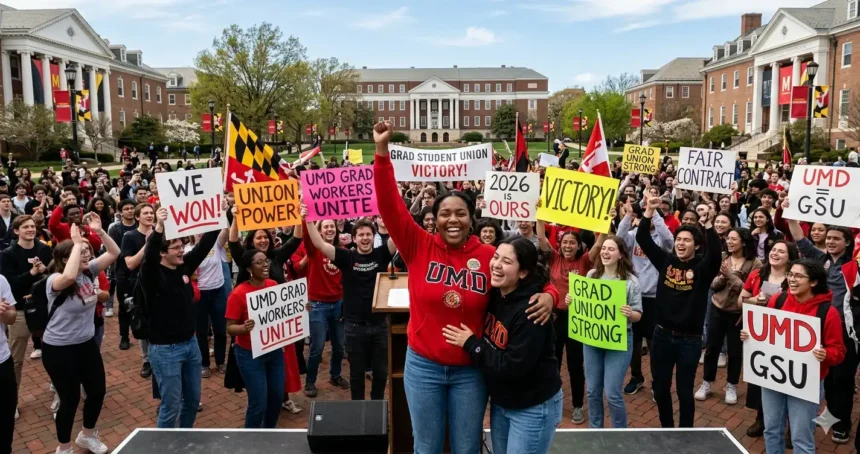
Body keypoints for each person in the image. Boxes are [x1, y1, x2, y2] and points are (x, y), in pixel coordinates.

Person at [372, 120, 555, 453]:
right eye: (444, 214)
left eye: (460, 213)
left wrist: (550, 295)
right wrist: (382, 152)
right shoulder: (417, 245)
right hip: (423, 366)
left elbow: (535, 277)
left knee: (466, 447)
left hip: (471, 370)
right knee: (425, 446)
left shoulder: (489, 256)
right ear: (435, 218)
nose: (452, 220)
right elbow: (388, 205)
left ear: (472, 218)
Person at [442, 237, 562, 454]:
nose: (496, 265)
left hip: (532, 406)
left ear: (523, 272)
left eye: (506, 262)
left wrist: (472, 345)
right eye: (495, 257)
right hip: (503, 403)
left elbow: (513, 366)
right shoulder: (496, 293)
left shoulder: (532, 311)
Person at [740, 259, 846, 454]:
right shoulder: (778, 300)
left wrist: (826, 354)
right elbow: (766, 332)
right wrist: (750, 336)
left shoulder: (827, 312)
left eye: (798, 276)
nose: (792, 280)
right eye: (790, 275)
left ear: (813, 282)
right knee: (771, 430)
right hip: (773, 378)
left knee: (801, 438)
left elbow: (838, 352)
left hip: (805, 384)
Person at [636, 194, 721, 428]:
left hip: (689, 341)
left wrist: (709, 225)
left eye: (687, 240)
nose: (681, 243)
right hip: (662, 336)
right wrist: (649, 211)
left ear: (697, 245)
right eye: (679, 239)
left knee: (685, 391)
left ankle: (685, 434)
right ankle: (667, 429)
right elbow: (643, 239)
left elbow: (715, 257)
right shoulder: (666, 261)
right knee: (661, 388)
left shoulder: (702, 269)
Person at [42, 216, 119, 454]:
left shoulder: (89, 271)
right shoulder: (55, 280)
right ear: (66, 259)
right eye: (81, 252)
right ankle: (64, 448)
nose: (87, 254)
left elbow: (114, 253)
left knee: (97, 391)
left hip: (85, 344)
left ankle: (87, 435)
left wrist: (100, 231)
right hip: (59, 348)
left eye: (88, 250)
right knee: (70, 400)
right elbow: (67, 277)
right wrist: (75, 243)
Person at [303, 212, 396, 400]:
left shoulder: (382, 253)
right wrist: (309, 221)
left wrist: (394, 207)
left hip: (379, 326)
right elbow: (320, 244)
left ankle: (376, 409)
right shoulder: (346, 257)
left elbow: (399, 233)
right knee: (356, 373)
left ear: (374, 236)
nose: (365, 238)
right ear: (354, 239)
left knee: (380, 372)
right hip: (354, 327)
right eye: (360, 235)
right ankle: (359, 411)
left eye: (368, 234)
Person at [141, 207, 219, 428]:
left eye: (181, 246)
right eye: (176, 247)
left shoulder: (184, 266)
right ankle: (164, 446)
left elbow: (205, 245)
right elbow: (147, 259)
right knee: (171, 405)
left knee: (192, 401)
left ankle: (184, 437)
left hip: (190, 345)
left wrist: (220, 216)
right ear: (162, 253)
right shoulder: (152, 276)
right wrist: (158, 229)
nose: (181, 251)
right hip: (166, 351)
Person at [568, 235, 641, 428]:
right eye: (604, 249)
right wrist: (572, 301)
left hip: (619, 341)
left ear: (620, 254)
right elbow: (583, 305)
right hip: (592, 340)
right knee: (592, 390)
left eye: (611, 249)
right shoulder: (592, 275)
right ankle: (595, 429)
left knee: (612, 393)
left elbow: (638, 315)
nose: (605, 252)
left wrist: (629, 313)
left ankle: (618, 432)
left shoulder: (630, 282)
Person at [535, 218, 595, 423]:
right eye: (565, 243)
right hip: (555, 317)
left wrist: (606, 222)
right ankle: (553, 401)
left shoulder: (585, 260)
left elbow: (601, 243)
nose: (568, 246)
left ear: (579, 246)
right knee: (554, 361)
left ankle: (578, 405)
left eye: (572, 243)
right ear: (560, 245)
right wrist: (540, 215)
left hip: (578, 318)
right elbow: (541, 236)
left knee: (575, 364)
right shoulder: (553, 258)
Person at [738, 240, 798, 437]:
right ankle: (761, 419)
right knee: (761, 377)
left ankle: (791, 427)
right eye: (773, 250)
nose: (776, 253)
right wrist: (756, 300)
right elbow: (741, 301)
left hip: (786, 336)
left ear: (790, 257)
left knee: (788, 380)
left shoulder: (794, 278)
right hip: (760, 336)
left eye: (781, 251)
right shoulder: (757, 275)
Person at [697, 228, 761, 405]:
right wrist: (724, 278)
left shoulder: (755, 263)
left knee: (734, 351)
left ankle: (731, 385)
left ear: (744, 242)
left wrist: (731, 276)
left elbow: (750, 291)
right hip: (717, 308)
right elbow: (714, 285)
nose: (729, 242)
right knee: (712, 348)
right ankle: (707, 382)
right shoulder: (723, 257)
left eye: (734, 239)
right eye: (728, 239)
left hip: (738, 313)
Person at [225, 250, 285, 428]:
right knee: (258, 402)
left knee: (276, 398)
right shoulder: (238, 294)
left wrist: (300, 308)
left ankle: (269, 433)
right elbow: (230, 328)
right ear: (249, 268)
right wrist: (243, 328)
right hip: (250, 355)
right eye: (259, 263)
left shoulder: (274, 285)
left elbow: (283, 314)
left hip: (274, 352)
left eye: (266, 261)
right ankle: (250, 440)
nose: (265, 265)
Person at [0, 215, 53, 416]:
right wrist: (31, 274)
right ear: (16, 231)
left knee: (53, 354)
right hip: (20, 310)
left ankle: (58, 393)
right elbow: (9, 283)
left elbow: (52, 277)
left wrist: (43, 272)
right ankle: (11, 400)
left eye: (32, 226)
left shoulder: (44, 249)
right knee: (16, 360)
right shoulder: (8, 254)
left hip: (43, 310)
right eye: (25, 227)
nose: (30, 230)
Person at [301, 218, 349, 397]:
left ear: (336, 230)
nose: (329, 229)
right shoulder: (314, 250)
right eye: (325, 227)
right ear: (319, 231)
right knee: (317, 347)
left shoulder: (342, 252)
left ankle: (335, 375)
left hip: (338, 304)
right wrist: (305, 220)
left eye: (332, 227)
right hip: (317, 305)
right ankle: (310, 382)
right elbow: (307, 238)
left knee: (338, 346)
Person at [117, 204, 155, 377]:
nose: (149, 215)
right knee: (143, 323)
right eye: (145, 213)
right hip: (138, 286)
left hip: (159, 283)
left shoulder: (161, 233)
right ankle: (147, 360)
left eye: (151, 212)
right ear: (138, 217)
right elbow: (130, 263)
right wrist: (147, 244)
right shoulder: (129, 236)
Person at [0, 275, 17, 454]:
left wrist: (5, 313)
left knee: (6, 417)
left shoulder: (1, 280)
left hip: (2, 360)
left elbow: (12, 317)